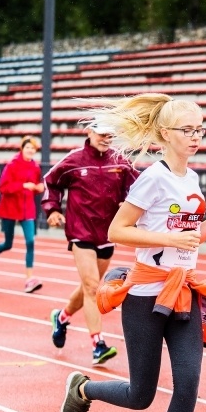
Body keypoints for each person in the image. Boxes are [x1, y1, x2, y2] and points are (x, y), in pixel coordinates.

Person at [59, 93, 206, 412]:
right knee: (141, 396)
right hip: (145, 297)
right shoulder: (152, 178)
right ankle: (83, 389)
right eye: (188, 130)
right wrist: (168, 237)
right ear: (163, 134)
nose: (196, 136)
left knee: (189, 383)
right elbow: (117, 232)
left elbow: (185, 242)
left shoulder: (190, 179)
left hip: (184, 294)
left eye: (200, 129)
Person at [42, 122, 138, 365]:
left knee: (88, 286)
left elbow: (138, 189)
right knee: (93, 287)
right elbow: (50, 181)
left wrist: (130, 208)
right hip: (80, 231)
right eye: (101, 133)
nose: (105, 137)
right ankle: (98, 345)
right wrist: (52, 209)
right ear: (89, 132)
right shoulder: (75, 159)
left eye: (110, 134)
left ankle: (62, 317)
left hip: (108, 233)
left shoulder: (120, 161)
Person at [0, 135, 45, 292]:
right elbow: (3, 187)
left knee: (30, 242)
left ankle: (29, 279)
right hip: (10, 208)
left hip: (27, 209)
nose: (30, 150)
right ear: (22, 149)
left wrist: (39, 187)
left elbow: (38, 184)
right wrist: (23, 185)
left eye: (33, 148)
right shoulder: (12, 165)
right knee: (8, 244)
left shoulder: (36, 167)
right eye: (28, 147)